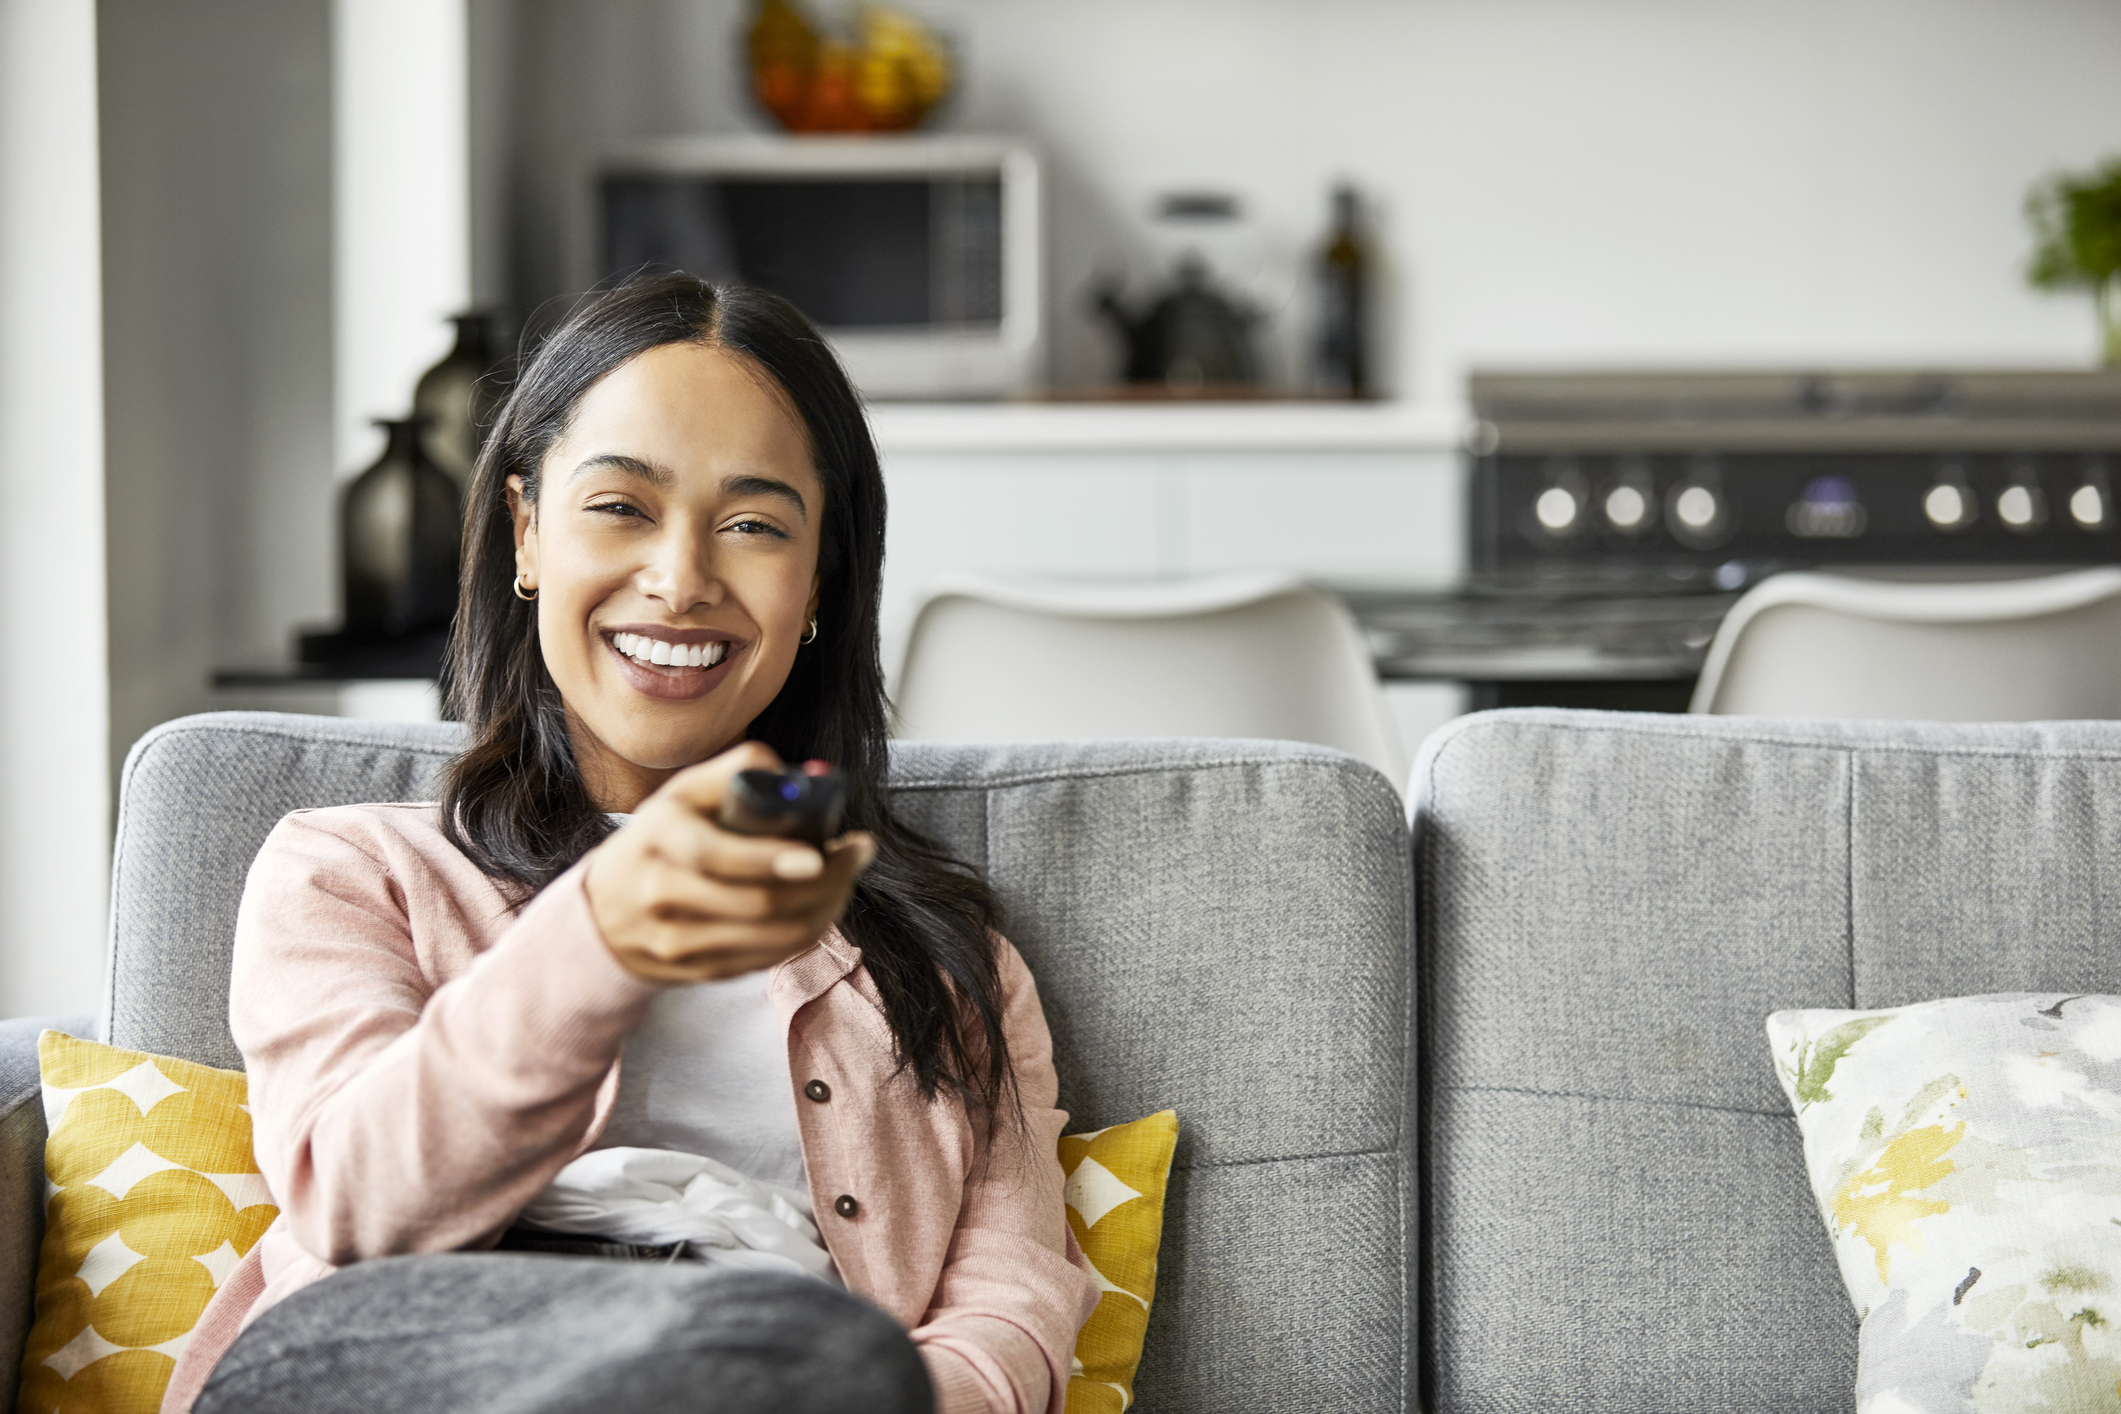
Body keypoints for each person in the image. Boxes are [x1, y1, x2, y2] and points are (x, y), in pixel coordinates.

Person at [162, 275, 1100, 1414]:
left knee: (823, 1359)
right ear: (526, 533)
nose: (681, 578)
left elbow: (1012, 1302)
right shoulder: (351, 870)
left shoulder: (948, 960)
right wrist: (607, 931)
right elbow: (361, 1208)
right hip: (410, 1358)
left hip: (775, 1372)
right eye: (621, 506)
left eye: (754, 524)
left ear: (819, 586)